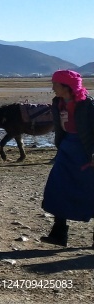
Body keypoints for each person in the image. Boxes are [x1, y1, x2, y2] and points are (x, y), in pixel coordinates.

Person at [39, 70, 94, 247]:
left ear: (66, 86)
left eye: (55, 84)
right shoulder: (58, 103)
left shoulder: (87, 105)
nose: (52, 88)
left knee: (89, 191)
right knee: (58, 188)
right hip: (66, 150)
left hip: (86, 152)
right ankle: (59, 234)